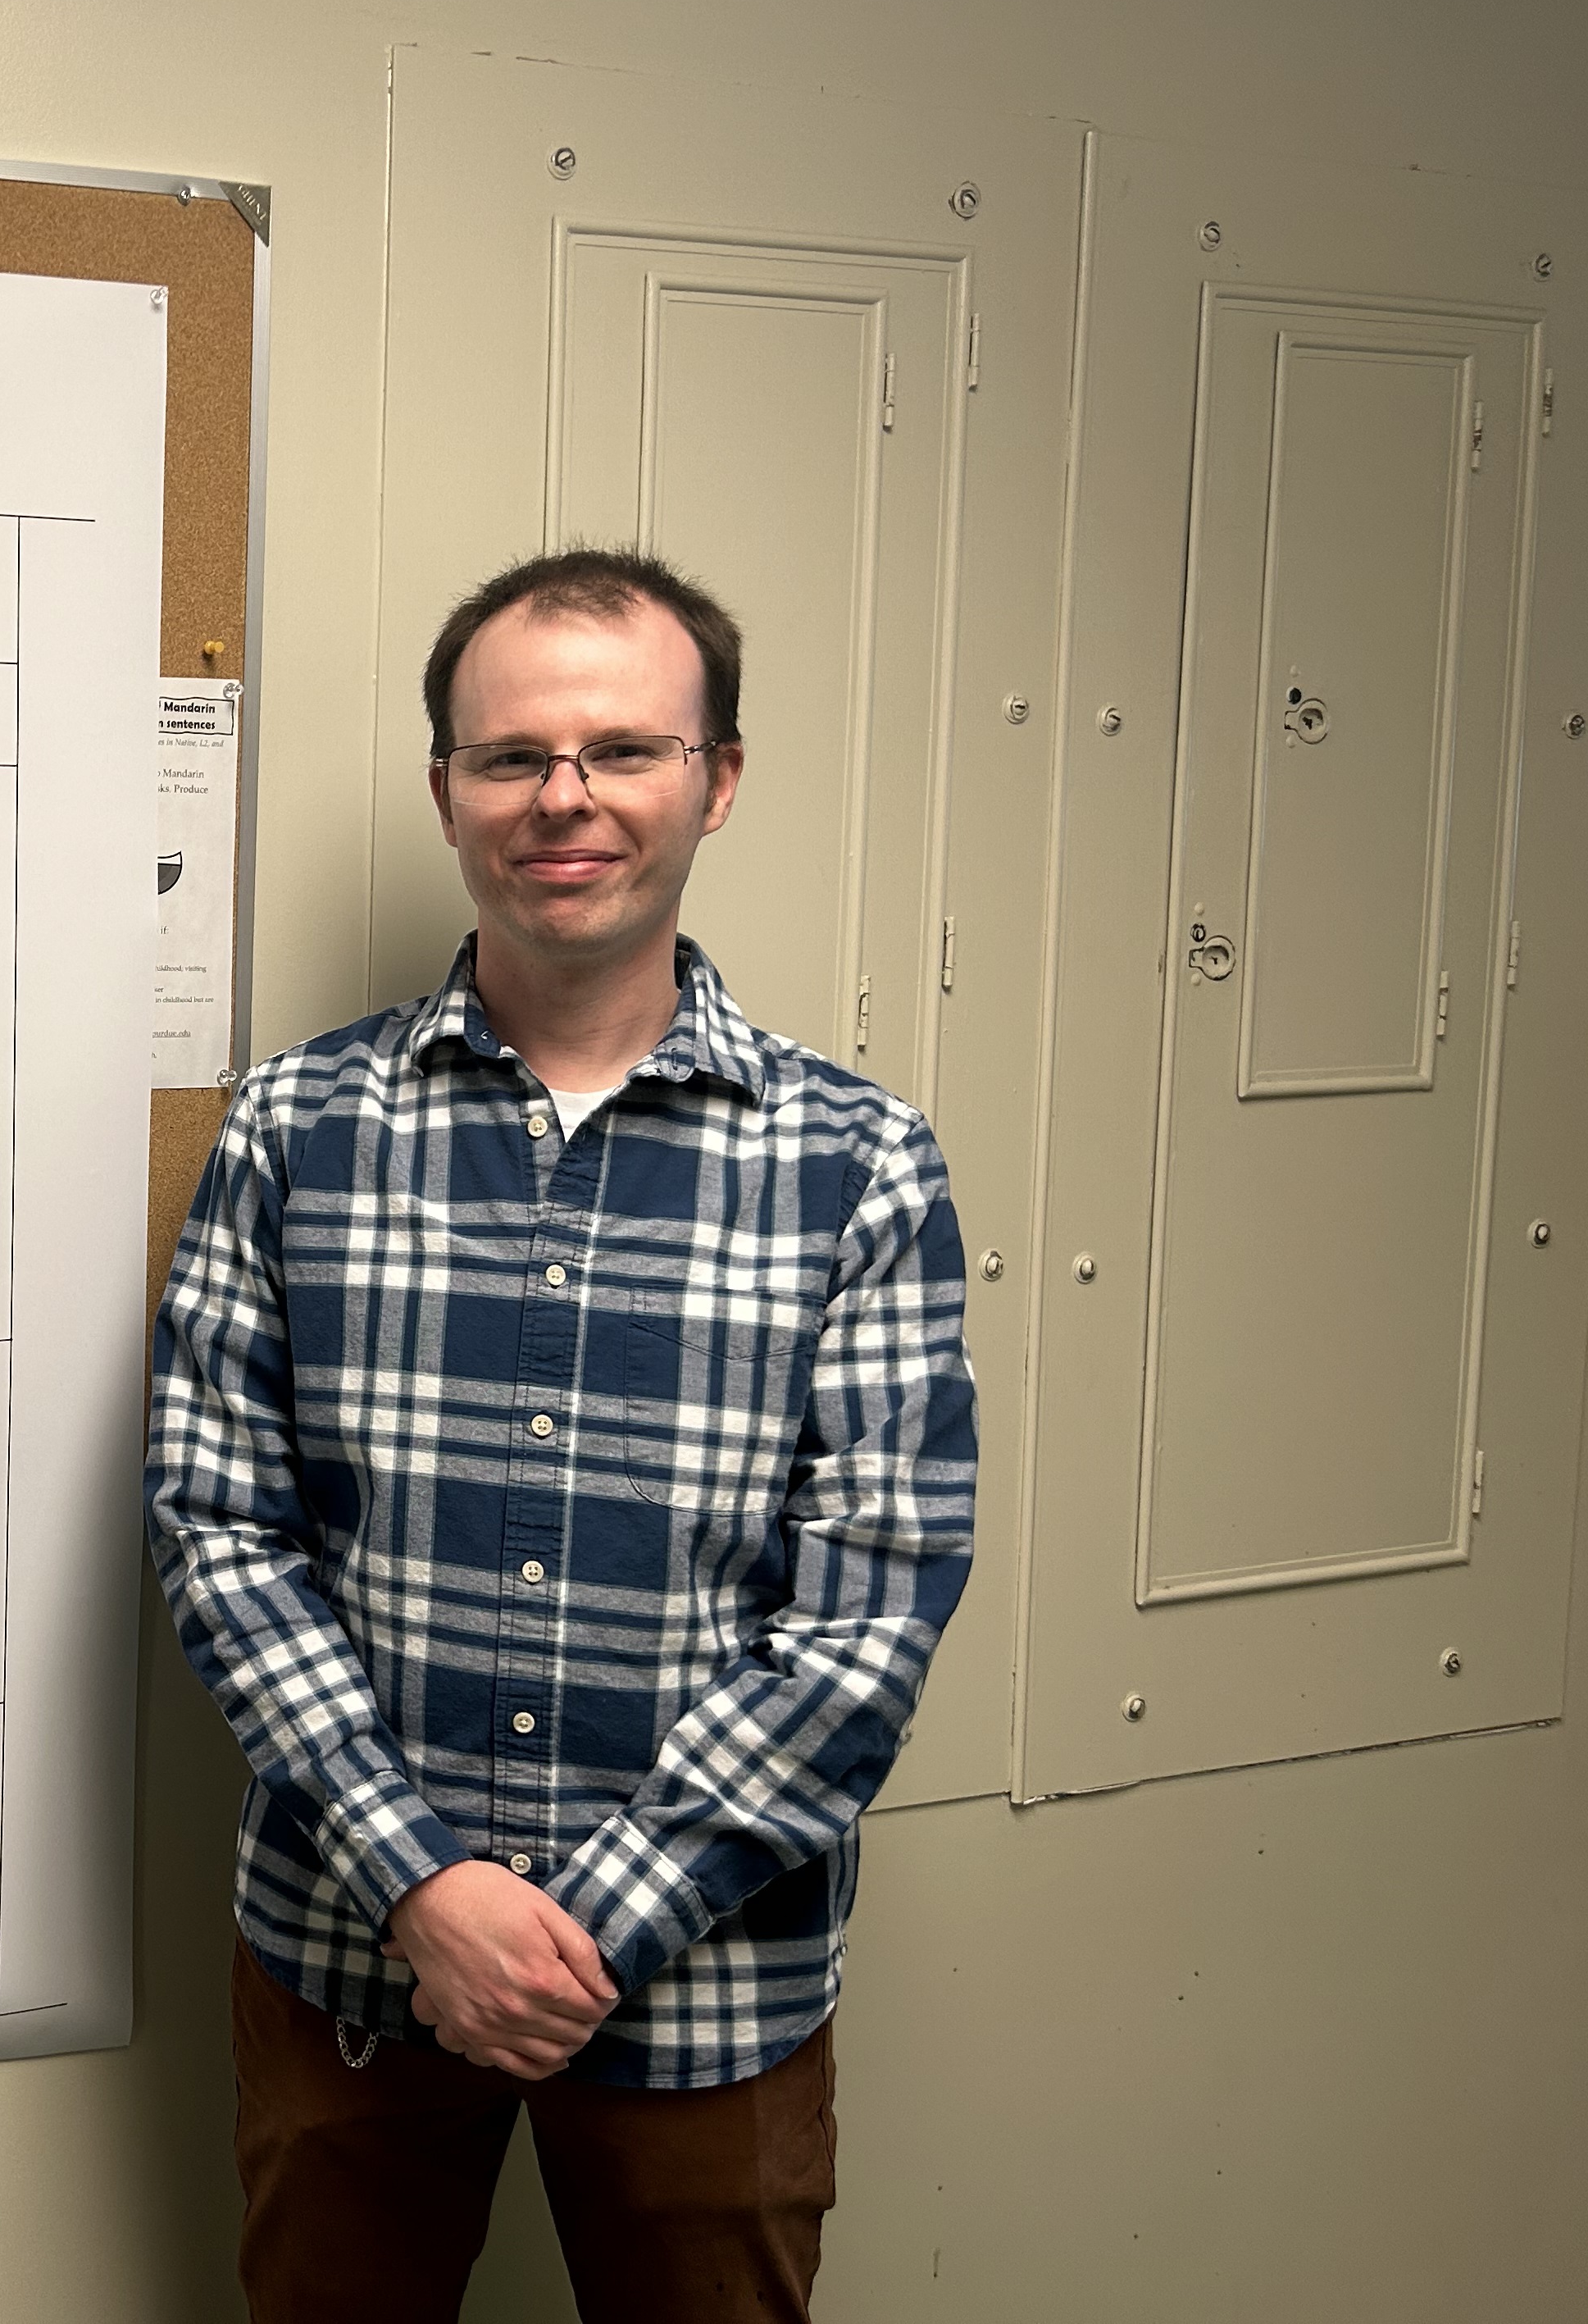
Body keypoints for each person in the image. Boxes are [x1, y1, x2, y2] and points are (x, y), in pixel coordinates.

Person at [146, 549, 976, 2323]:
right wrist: (421, 1882)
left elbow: (876, 1600)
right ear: (447, 789)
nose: (567, 798)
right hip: (350, 1960)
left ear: (718, 780)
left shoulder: (859, 1163)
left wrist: (601, 1917)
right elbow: (219, 1529)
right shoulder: (298, 1124)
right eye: (515, 756)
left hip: (713, 1986)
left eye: (626, 749)